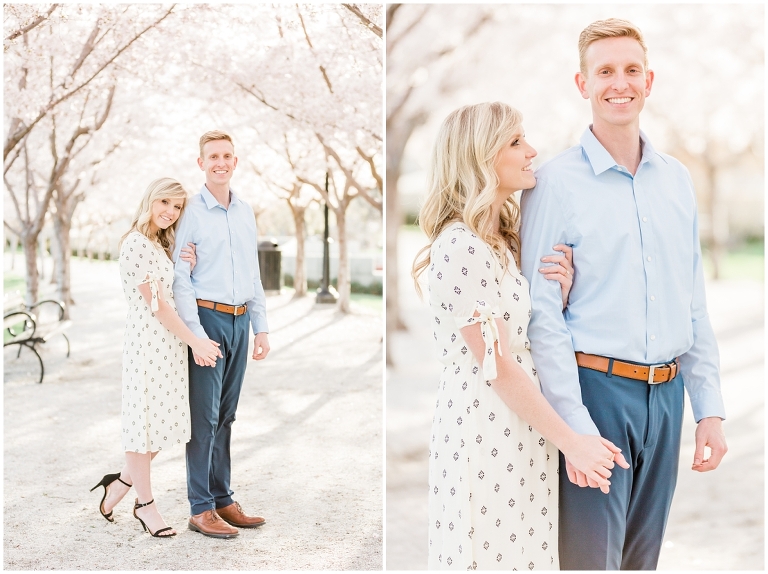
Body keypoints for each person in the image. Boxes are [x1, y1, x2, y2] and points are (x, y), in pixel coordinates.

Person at [520, 18, 727, 570]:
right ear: (582, 83)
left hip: (668, 397)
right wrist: (573, 427)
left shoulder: (677, 179)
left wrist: (709, 408)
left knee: (642, 563)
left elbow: (692, 300)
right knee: (591, 562)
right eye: (605, 71)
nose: (620, 83)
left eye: (631, 70)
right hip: (596, 394)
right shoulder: (553, 183)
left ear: (649, 80)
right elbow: (542, 316)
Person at [412, 102, 630, 570]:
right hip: (486, 424)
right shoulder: (459, 246)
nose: (531, 151)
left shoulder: (503, 241)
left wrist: (563, 294)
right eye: (515, 142)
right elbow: (497, 366)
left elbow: (521, 334)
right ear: (479, 156)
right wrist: (573, 441)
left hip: (525, 424)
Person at [91, 177, 222, 537]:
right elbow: (159, 307)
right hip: (148, 347)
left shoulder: (161, 245)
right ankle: (145, 505)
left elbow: (175, 290)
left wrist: (187, 264)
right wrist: (196, 341)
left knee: (162, 427)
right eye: (164, 202)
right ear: (149, 200)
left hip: (169, 348)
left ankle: (119, 484)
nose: (170, 212)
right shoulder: (135, 244)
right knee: (143, 428)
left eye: (177, 207)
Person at [172, 130, 270, 539]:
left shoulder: (245, 210)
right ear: (201, 163)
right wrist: (195, 335)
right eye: (212, 156)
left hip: (240, 320)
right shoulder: (190, 211)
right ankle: (200, 508)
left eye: (227, 155)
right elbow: (181, 278)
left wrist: (261, 326)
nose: (220, 162)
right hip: (207, 322)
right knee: (204, 419)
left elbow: (253, 272)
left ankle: (223, 498)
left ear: (235, 161)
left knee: (227, 415)